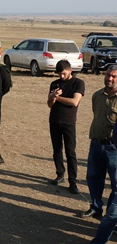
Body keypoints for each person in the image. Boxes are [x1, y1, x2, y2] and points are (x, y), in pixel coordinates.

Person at [78, 65, 117, 220]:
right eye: (108, 75)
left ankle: (113, 217)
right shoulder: (97, 95)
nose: (109, 79)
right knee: (94, 177)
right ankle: (95, 207)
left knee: (115, 183)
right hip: (96, 144)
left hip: (114, 147)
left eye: (114, 76)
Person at [47, 60, 84, 194]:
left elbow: (74, 102)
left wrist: (58, 97)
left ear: (70, 71)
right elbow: (50, 104)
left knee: (70, 152)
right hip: (54, 121)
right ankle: (60, 174)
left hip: (69, 122)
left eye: (63, 73)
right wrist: (52, 97)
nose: (61, 76)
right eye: (59, 74)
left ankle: (72, 181)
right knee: (57, 149)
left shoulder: (78, 83)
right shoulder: (54, 83)